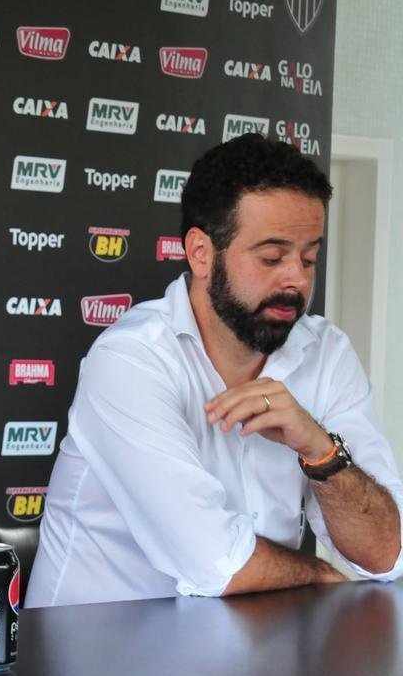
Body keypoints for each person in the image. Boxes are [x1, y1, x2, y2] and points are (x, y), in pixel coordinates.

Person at [27, 133, 403, 607]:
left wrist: (320, 450)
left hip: (252, 641)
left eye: (309, 258)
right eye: (272, 257)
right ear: (201, 252)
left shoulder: (327, 353)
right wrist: (318, 574)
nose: (297, 279)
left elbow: (387, 554)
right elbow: (216, 564)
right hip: (93, 645)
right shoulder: (130, 359)